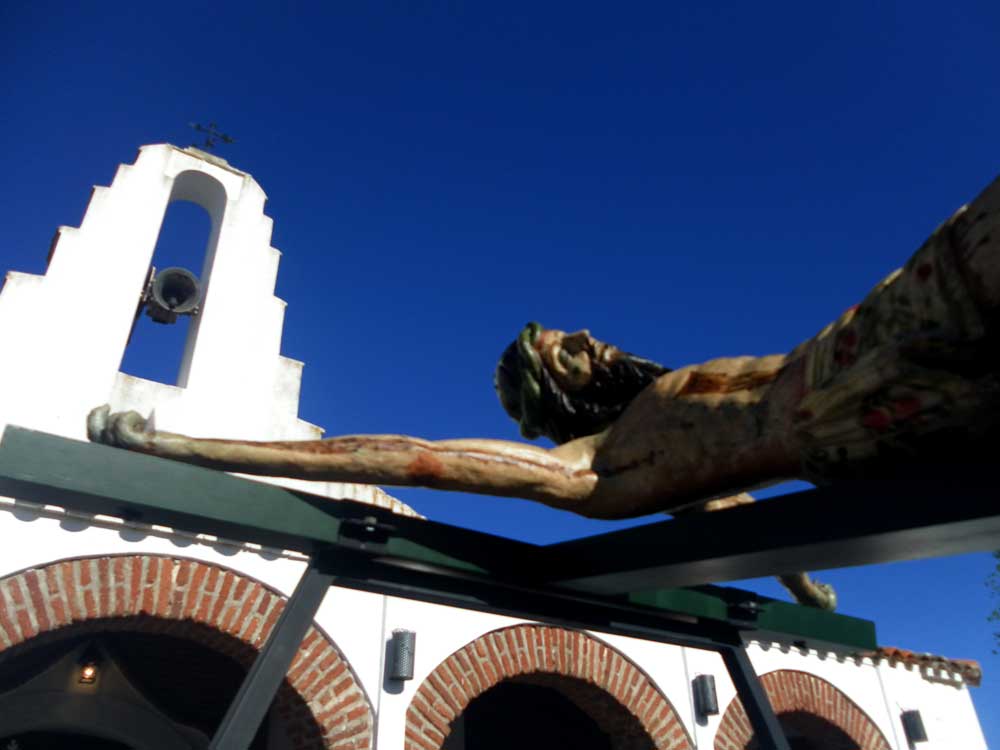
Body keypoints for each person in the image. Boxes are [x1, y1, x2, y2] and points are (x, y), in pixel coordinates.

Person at [88, 175, 1000, 611]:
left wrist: (808, 591)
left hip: (868, 337)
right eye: (569, 349)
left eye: (579, 336)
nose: (592, 341)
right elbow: (419, 460)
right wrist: (178, 447)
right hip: (869, 400)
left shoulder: (661, 409)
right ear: (553, 390)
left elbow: (732, 504)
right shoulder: (593, 467)